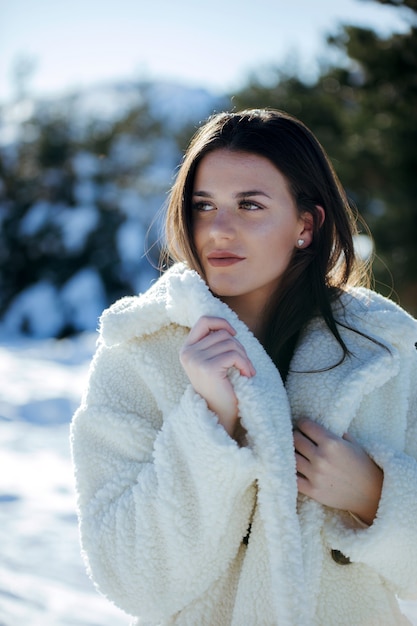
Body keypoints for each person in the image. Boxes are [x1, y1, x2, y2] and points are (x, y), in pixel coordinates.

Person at [70, 109, 417, 625]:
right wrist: (210, 419)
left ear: (306, 224)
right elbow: (129, 576)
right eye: (203, 206)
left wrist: (375, 495)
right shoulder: (137, 354)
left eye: (249, 205)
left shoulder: (384, 351)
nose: (218, 230)